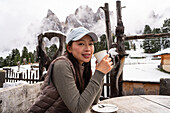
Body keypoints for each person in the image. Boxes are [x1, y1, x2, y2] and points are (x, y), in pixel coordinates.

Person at [27, 27, 113, 113]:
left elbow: (93, 101)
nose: (88, 49)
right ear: (69, 48)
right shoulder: (62, 65)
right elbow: (78, 109)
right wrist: (99, 73)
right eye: (81, 44)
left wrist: (101, 73)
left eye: (90, 44)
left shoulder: (82, 65)